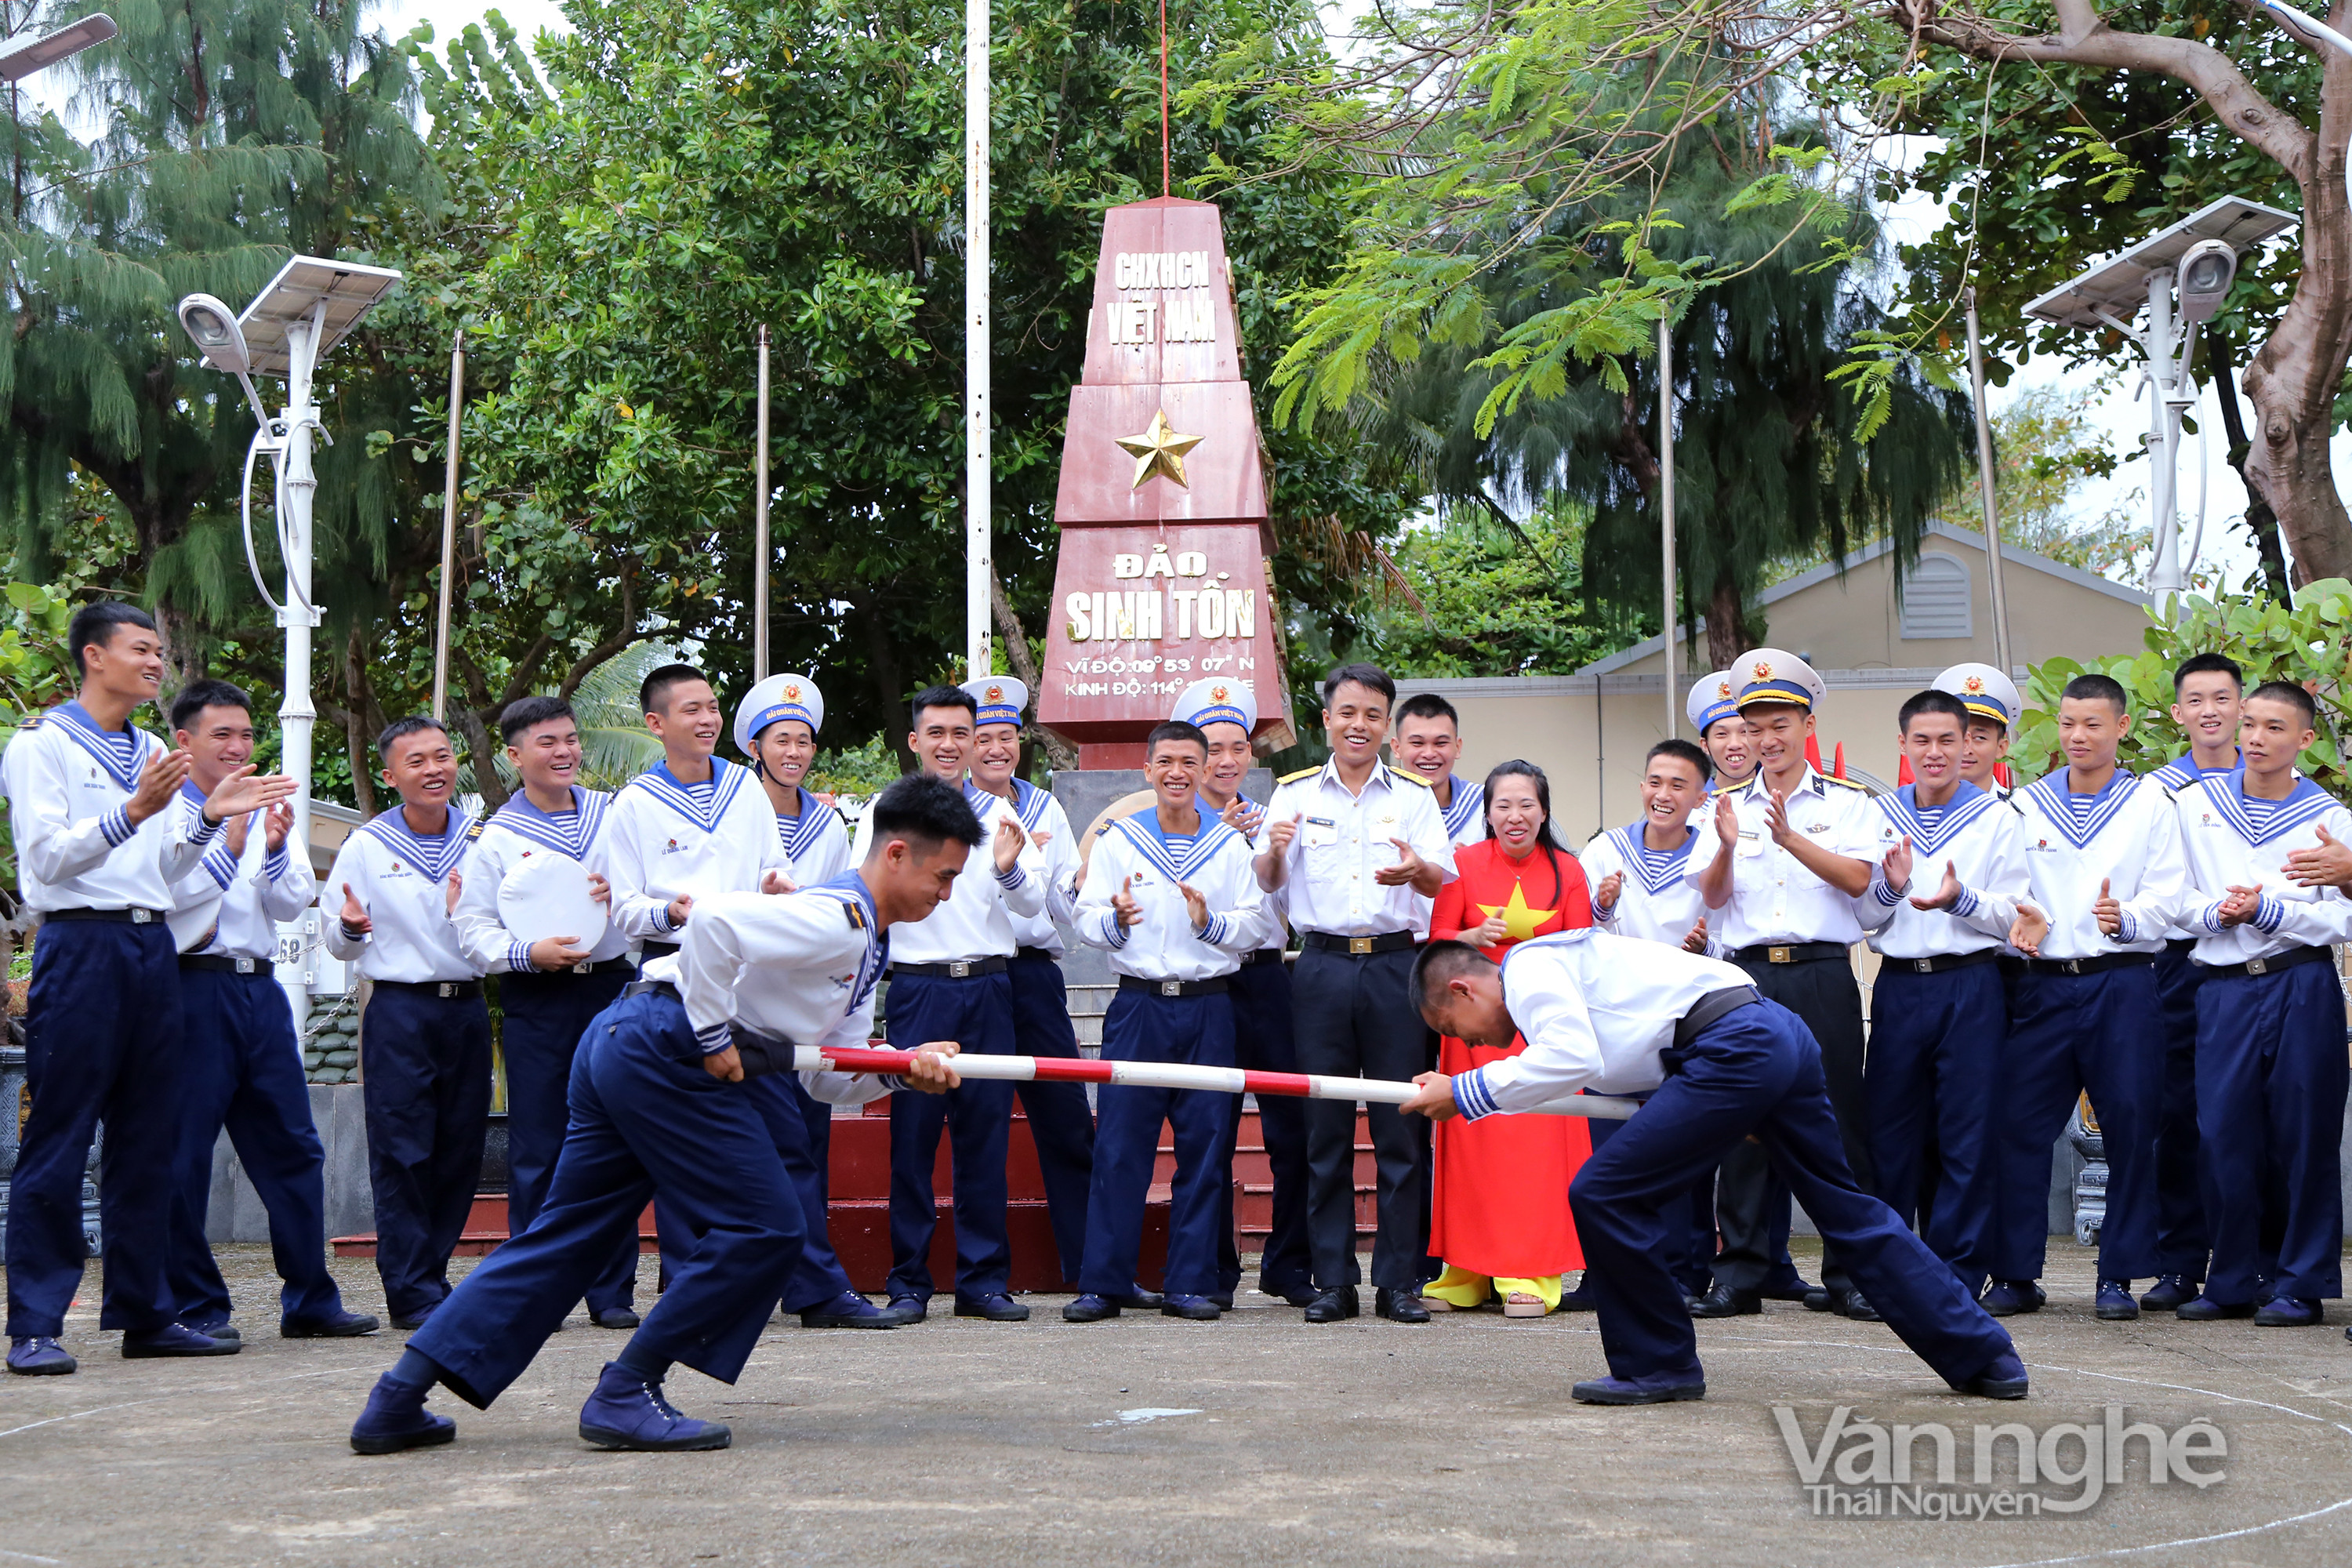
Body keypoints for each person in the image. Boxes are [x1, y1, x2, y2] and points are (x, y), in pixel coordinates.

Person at [347, 775, 978, 1456]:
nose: (944, 896)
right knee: (766, 1227)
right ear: (895, 856)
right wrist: (711, 1037)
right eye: (941, 878)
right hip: (663, 1046)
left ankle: (397, 1396)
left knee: (568, 1235)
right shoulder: (835, 916)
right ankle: (626, 1389)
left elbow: (827, 1075)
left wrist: (900, 1071)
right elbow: (712, 925)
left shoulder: (866, 943)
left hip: (627, 1040)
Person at [1399, 932, 2026, 1405]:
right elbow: (1630, 1058)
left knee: (1603, 1193)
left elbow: (1570, 1057)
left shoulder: (1530, 969)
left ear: (1464, 989)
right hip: (1769, 1036)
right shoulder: (1565, 972)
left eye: (1456, 1029)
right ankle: (1986, 1358)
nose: (1474, 1044)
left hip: (1736, 1046)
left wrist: (1464, 1092)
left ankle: (1657, 1364)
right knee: (1847, 1210)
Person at [4, 603, 290, 1375]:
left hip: (149, 944)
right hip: (80, 942)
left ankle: (144, 1310)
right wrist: (133, 810)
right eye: (142, 648)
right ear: (95, 656)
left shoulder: (154, 747)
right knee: (59, 1133)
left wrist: (203, 824)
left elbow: (164, 871)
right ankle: (34, 1320)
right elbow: (47, 860)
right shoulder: (43, 743)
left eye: (160, 649)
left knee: (148, 1139)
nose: (157, 660)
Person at [163, 679, 376, 1345]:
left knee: (294, 1147)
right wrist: (228, 836)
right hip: (188, 986)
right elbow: (172, 899)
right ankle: (194, 1303)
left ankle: (310, 1299)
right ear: (185, 740)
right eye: (222, 733)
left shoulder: (262, 810)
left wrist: (278, 843)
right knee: (183, 1152)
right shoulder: (167, 813)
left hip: (258, 990)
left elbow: (288, 906)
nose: (238, 746)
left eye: (247, 734)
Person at [1257, 662, 1457, 1323]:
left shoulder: (1414, 796)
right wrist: (1273, 853)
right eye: (1348, 713)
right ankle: (1334, 1280)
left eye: (1373, 715)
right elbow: (1267, 884)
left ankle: (1400, 1282)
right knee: (1326, 1131)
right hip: (1318, 969)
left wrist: (1417, 868)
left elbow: (1438, 883)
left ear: (1389, 727)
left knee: (1402, 1129)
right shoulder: (1292, 795)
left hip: (1397, 970)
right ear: (1326, 721)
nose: (1359, 726)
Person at [1687, 649, 1881, 1321]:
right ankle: (1739, 1274)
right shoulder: (1721, 807)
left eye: (1780, 724)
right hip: (1744, 976)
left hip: (1823, 972)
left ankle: (1849, 1270)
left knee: (1838, 1125)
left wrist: (1792, 838)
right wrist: (1724, 848)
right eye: (1753, 726)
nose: (1766, 740)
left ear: (1806, 723)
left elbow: (1863, 883)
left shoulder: (1848, 803)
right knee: (1740, 1124)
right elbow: (1710, 901)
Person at [1990, 671, 2187, 1321]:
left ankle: (2119, 1275)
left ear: (2122, 728)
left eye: (2093, 724)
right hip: (2044, 988)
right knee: (2020, 1128)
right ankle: (2016, 1274)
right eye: (2069, 723)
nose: (2078, 736)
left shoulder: (2151, 804)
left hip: (2122, 983)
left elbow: (2170, 895)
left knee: (2132, 1127)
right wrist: (2022, 916)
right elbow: (2008, 885)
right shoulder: (2025, 806)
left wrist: (2124, 919)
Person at [854, 684, 1047, 1322]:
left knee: (984, 1140)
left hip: (991, 987)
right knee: (911, 1141)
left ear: (974, 741)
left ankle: (982, 1282)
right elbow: (865, 901)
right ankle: (909, 1282)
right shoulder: (885, 812)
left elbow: (1033, 907)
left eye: (960, 733)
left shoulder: (1000, 814)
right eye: (935, 733)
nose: (949, 744)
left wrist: (1009, 868)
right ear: (915, 741)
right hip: (919, 989)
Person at [450, 696, 641, 1332]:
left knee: (617, 1137)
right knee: (540, 1145)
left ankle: (613, 1292)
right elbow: (471, 926)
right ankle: (538, 1292)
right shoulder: (496, 835)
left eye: (570, 740)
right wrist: (526, 952)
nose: (564, 753)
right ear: (514, 756)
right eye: (546, 743)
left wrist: (627, 896)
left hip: (611, 986)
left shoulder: (612, 816)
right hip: (539, 995)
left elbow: (646, 891)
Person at [1067, 720, 1266, 1321]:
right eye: (1166, 761)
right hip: (1139, 1006)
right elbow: (1084, 917)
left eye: (1189, 761)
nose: (1178, 772)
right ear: (1148, 771)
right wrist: (1118, 920)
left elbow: (1255, 924)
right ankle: (1104, 1283)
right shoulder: (1120, 840)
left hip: (1209, 1005)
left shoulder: (1230, 847)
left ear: (1206, 770)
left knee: (1206, 1149)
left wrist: (1210, 925)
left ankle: (1189, 1282)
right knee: (1122, 1147)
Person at [2171, 681, 2352, 1326]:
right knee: (2222, 1135)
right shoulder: (2196, 805)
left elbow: (2343, 918)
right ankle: (2233, 1278)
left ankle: (2300, 1282)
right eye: (2251, 724)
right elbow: (2175, 895)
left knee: (2303, 1136)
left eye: (2275, 728)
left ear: (2304, 740)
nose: (2255, 738)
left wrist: (2270, 909)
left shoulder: (2328, 817)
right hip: (2222, 986)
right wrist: (2216, 912)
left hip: (2299, 982)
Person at [731, 673, 907, 1330]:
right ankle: (781, 1286)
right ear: (756, 747)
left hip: (812, 998)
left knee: (808, 1142)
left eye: (804, 741)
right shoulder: (735, 811)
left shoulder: (830, 823)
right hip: (748, 1001)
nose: (795, 753)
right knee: (757, 1152)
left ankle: (809, 1286)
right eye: (782, 740)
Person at [1851, 689, 2027, 1295]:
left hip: (1971, 984)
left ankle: (1955, 1273)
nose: (1935, 752)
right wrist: (1893, 890)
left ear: (1969, 745)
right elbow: (1864, 916)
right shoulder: (1880, 815)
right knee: (1891, 1133)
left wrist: (1962, 900)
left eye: (1949, 740)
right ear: (1902, 745)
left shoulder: (1998, 817)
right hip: (1900, 985)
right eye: (1921, 740)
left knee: (1967, 1134)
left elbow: (2017, 917)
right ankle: (1893, 1271)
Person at [323, 717, 493, 1332]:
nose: (434, 770)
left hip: (467, 1009)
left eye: (442, 757)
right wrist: (350, 926)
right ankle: (410, 1290)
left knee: (459, 1150)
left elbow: (495, 940)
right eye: (416, 761)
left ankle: (432, 1275)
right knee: (402, 1151)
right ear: (391, 776)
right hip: (399, 1009)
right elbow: (338, 945)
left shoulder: (479, 846)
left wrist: (462, 916)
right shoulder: (368, 847)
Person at [1421, 760, 1592, 1316]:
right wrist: (1468, 936)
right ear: (1487, 812)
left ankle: (1532, 1272)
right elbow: (1436, 939)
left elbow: (1584, 948)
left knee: (1534, 1156)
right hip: (1472, 1029)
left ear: (1544, 811)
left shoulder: (1569, 870)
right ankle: (1465, 1271)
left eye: (1526, 805)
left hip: (1541, 1032)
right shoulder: (1461, 865)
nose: (1515, 816)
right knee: (1473, 1152)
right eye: (1503, 805)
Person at [1172, 677, 1313, 1309]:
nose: (1226, 761)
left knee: (1294, 1128)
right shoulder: (1169, 822)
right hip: (1208, 984)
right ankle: (1213, 1270)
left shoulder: (1274, 818)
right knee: (1210, 1131)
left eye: (1237, 748)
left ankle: (1289, 1264)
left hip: (1267, 977)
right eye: (1212, 749)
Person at [963, 677, 1097, 1292]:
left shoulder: (1045, 806)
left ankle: (1092, 1267)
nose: (996, 748)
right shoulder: (951, 809)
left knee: (1068, 1121)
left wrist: (1080, 889)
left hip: (1037, 975)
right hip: (979, 976)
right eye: (983, 737)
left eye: (1006, 737)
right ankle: (983, 1278)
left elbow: (1070, 897)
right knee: (980, 1122)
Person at [1581, 736, 1718, 1306]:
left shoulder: (1713, 854)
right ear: (1642, 786)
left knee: (1682, 1147)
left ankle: (1685, 1272)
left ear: (1701, 795)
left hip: (1686, 1018)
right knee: (1611, 1145)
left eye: (1678, 785)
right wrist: (1605, 907)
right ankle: (1608, 1273)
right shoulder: (1604, 851)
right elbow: (1582, 933)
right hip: (1618, 1018)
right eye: (1655, 782)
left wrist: (1704, 947)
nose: (1663, 795)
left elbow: (1729, 926)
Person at [2136, 652, 2244, 1314]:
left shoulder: (2267, 781)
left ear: (2242, 708)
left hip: (2251, 965)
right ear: (2177, 714)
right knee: (2177, 1115)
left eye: (2222, 698)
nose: (2210, 711)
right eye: (2196, 700)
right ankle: (2178, 1261)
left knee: (2245, 1120)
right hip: (2177, 963)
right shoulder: (2156, 791)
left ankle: (2257, 1259)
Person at [598, 663, 794, 966]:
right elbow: (625, 909)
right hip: (671, 963)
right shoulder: (635, 802)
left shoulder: (744, 784)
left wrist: (772, 884)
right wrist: (669, 913)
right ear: (656, 723)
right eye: (692, 710)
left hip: (747, 959)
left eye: (713, 708)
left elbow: (773, 866)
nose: (708, 720)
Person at [1394, 693, 1486, 849]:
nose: (1429, 754)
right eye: (1417, 743)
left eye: (1441, 743)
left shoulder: (1485, 806)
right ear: (1397, 748)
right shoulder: (1380, 803)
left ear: (1458, 747)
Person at [1931, 663, 2020, 796]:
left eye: (1979, 738)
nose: (1966, 749)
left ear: (2001, 748)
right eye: (1956, 737)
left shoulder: (2020, 812)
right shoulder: (1915, 811)